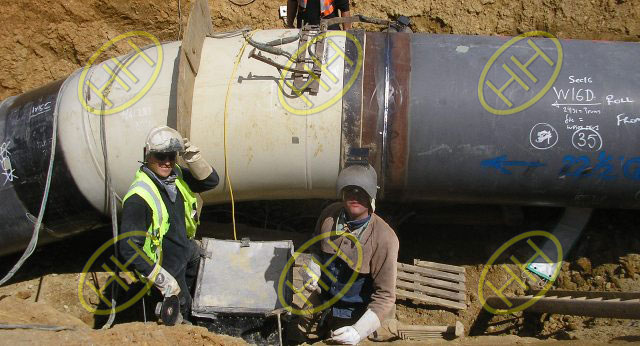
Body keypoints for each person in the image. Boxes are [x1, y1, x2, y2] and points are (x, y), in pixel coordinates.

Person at [119, 125, 219, 324]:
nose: (167, 162)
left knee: (200, 288)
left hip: (185, 252)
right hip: (167, 267)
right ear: (148, 155)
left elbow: (210, 182)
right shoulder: (139, 198)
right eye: (160, 156)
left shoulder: (176, 176)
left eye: (171, 157)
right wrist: (163, 281)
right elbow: (129, 250)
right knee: (183, 311)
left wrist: (194, 159)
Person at [294, 163, 399, 344]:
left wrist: (358, 331)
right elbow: (316, 248)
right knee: (301, 326)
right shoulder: (329, 216)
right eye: (349, 190)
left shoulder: (384, 238)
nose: (354, 196)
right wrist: (314, 268)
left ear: (372, 196)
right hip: (325, 297)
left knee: (346, 339)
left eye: (362, 192)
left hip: (359, 310)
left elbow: (385, 296)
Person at [287, 0, 352, 30]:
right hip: (304, 28)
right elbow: (292, 2)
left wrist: (347, 35)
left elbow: (345, 9)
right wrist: (290, 25)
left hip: (329, 28)